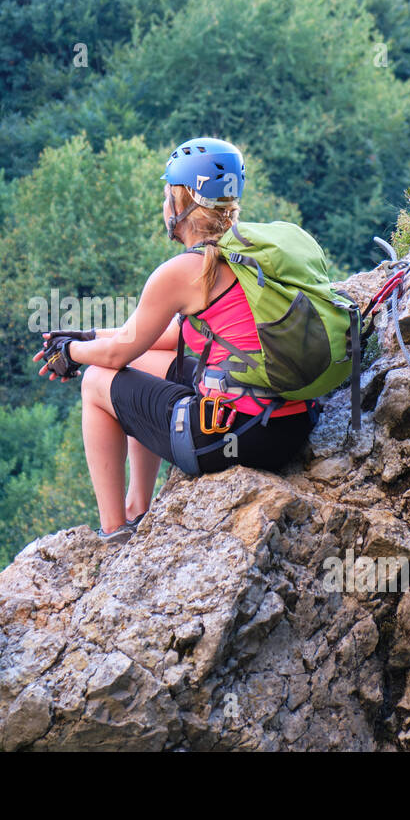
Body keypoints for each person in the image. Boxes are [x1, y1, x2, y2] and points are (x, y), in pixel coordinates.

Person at [33, 137, 320, 545]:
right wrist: (91, 335)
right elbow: (163, 338)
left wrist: (72, 354)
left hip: (241, 437)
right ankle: (138, 510)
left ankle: (114, 532)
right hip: (290, 426)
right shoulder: (249, 250)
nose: (163, 206)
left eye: (167, 194)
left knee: (98, 380)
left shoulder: (182, 270)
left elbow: (117, 354)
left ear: (181, 201)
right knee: (142, 361)